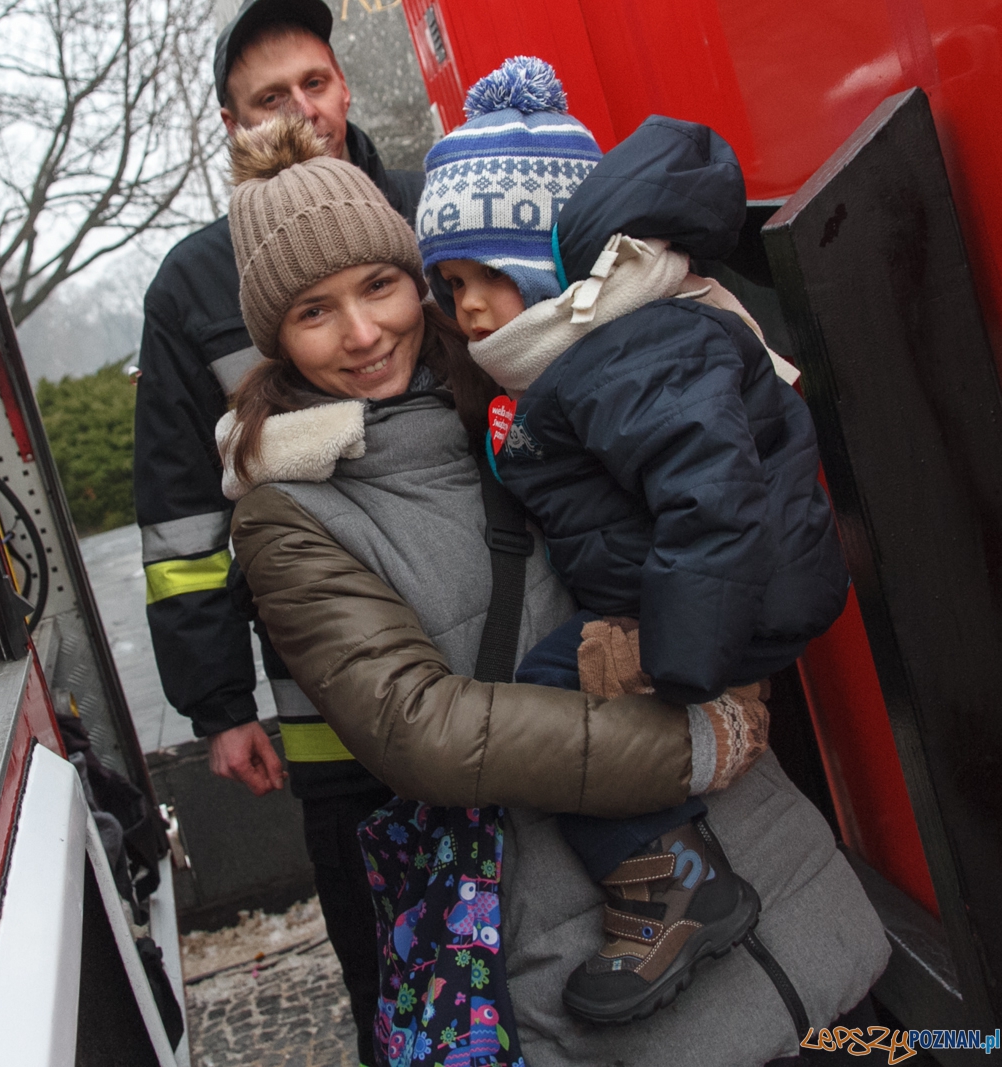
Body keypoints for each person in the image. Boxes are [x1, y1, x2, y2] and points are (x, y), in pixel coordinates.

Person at [221, 112, 888, 1066]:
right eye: (314, 311)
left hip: (794, 896)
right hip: (598, 955)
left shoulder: (528, 389)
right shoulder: (286, 514)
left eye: (381, 286)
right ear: (275, 337)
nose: (364, 333)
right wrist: (691, 743)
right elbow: (426, 731)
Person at [415, 57, 853, 1025]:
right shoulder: (588, 349)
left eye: (492, 273)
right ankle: (676, 870)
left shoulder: (630, 349)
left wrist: (674, 651)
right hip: (707, 586)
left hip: (727, 596)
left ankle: (676, 890)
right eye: (448, 282)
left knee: (548, 702)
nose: (471, 305)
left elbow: (710, 496)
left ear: (560, 264)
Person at [131, 0, 423, 1057]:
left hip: (499, 666)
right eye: (269, 96)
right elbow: (179, 516)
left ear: (342, 87)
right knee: (394, 965)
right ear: (232, 122)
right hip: (332, 705)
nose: (300, 107)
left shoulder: (431, 207)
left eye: (314, 81)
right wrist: (218, 702)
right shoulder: (195, 285)